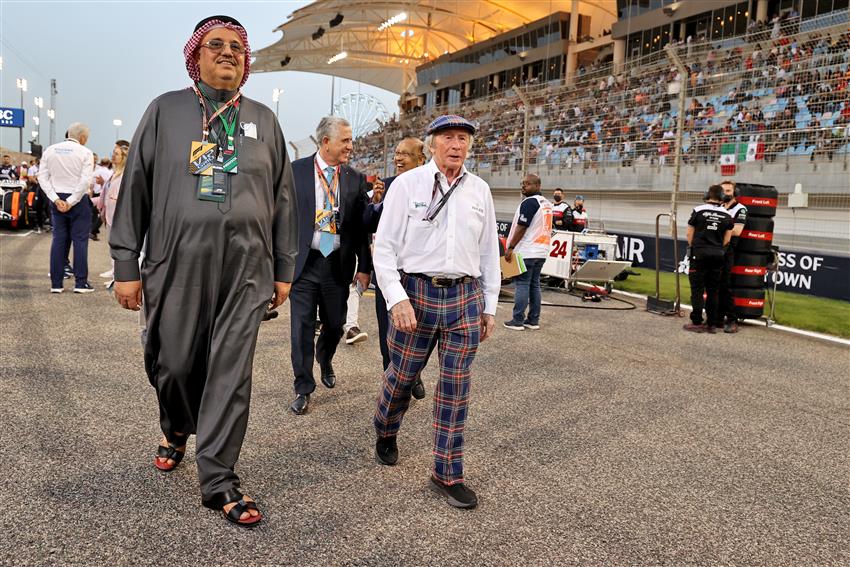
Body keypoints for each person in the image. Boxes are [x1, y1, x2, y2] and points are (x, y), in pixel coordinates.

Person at [110, 15, 298, 527]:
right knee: (171, 363)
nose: (227, 52)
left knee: (231, 373)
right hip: (176, 261)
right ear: (196, 55)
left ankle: (218, 478)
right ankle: (176, 426)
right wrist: (126, 263)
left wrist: (283, 267)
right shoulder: (166, 111)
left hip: (247, 268)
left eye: (237, 46)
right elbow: (136, 191)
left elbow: (283, 197)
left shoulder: (263, 119)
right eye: (216, 44)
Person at [372, 115, 500, 509]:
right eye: (448, 138)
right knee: (403, 376)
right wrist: (397, 299)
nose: (456, 145)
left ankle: (447, 472)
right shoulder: (406, 185)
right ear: (431, 145)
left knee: (455, 389)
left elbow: (488, 252)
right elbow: (385, 248)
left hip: (464, 298)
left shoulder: (480, 190)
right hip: (416, 292)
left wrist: (489, 305)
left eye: (463, 138)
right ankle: (386, 427)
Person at [287, 116, 372, 416]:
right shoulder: (294, 172)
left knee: (335, 324)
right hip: (304, 265)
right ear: (326, 142)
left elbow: (362, 228)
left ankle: (325, 357)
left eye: (350, 140)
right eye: (345, 140)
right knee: (301, 328)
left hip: (337, 264)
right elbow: (280, 217)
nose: (351, 145)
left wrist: (366, 266)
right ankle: (303, 387)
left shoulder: (354, 178)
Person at [363, 136, 428, 399]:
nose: (398, 158)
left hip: (420, 276)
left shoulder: (433, 186)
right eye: (397, 154)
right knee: (387, 332)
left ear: (421, 159)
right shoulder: (387, 185)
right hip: (389, 274)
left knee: (420, 331)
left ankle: (415, 375)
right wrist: (376, 202)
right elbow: (367, 223)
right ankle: (391, 383)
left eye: (405, 154)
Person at [37, 123, 95, 294]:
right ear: (82, 138)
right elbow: (85, 181)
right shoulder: (85, 152)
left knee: (58, 240)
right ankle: (80, 283)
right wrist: (71, 200)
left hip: (57, 198)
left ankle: (56, 283)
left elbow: (42, 177)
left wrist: (56, 199)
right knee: (80, 241)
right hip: (77, 200)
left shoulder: (50, 150)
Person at [503, 174, 553, 331]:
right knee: (534, 284)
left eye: (527, 184)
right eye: (522, 183)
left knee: (522, 284)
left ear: (537, 186)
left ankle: (518, 320)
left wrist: (510, 247)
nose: (523, 186)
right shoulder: (546, 203)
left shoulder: (530, 202)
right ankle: (533, 320)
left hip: (527, 250)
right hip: (541, 250)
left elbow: (522, 227)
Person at [684, 185, 733, 333]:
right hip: (718, 255)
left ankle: (697, 321)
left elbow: (689, 234)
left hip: (699, 254)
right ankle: (711, 324)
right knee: (713, 290)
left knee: (697, 289)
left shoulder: (698, 210)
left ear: (707, 195)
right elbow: (727, 239)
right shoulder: (727, 215)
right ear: (722, 197)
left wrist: (696, 247)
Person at [718, 179, 747, 333]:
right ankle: (716, 316)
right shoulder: (718, 207)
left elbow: (737, 231)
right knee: (713, 284)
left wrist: (717, 227)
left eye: (728, 191)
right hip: (714, 248)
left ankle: (732, 319)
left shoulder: (741, 209)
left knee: (724, 285)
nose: (725, 193)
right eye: (723, 191)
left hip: (728, 250)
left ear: (735, 193)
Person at [99, 141, 129, 286]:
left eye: (116, 154)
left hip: (118, 214)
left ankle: (117, 276)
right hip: (110, 213)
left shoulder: (125, 174)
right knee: (112, 243)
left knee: (118, 245)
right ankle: (113, 271)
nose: (113, 156)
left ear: (123, 157)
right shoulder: (114, 174)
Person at [90, 155, 112, 241]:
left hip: (95, 194)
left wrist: (91, 195)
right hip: (104, 194)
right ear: (108, 163)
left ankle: (92, 229)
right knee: (102, 212)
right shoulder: (110, 173)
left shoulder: (95, 172)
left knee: (94, 212)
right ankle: (93, 230)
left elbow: (91, 185)